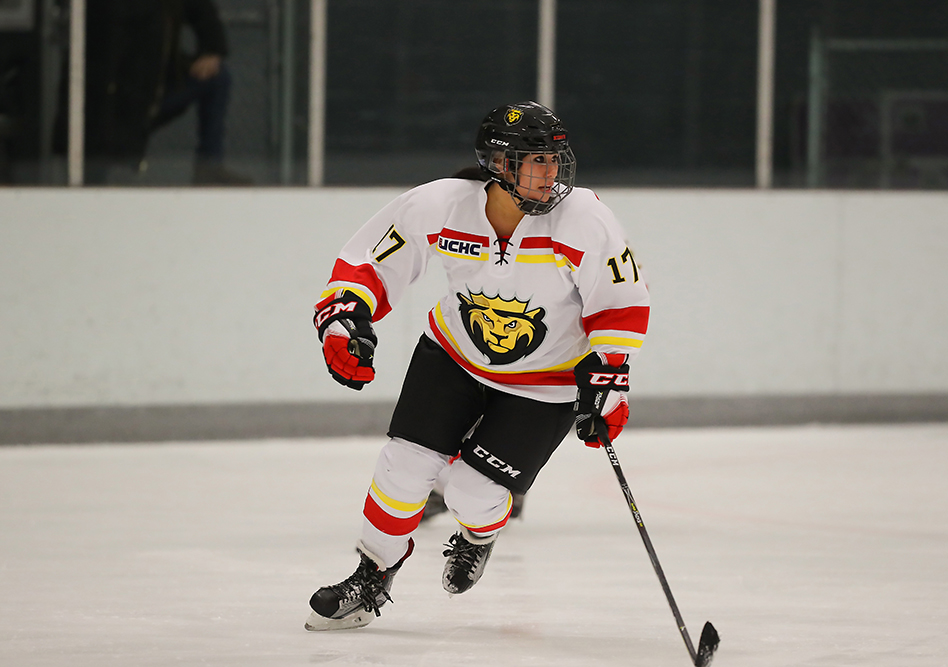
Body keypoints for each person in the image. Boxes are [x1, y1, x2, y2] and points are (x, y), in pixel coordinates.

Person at [305, 101, 650, 631]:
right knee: (402, 467)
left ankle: (479, 536)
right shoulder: (442, 204)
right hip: (454, 357)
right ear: (498, 163)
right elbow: (368, 263)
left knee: (473, 492)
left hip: (547, 383)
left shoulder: (584, 218)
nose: (550, 173)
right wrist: (345, 318)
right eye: (535, 160)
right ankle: (373, 571)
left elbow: (620, 303)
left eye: (555, 159)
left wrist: (609, 379)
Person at [53, 0, 250, 185]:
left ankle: (210, 167)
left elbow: (200, 9)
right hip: (103, 106)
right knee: (96, 162)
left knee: (215, 78)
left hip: (151, 95)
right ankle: (88, 188)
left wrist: (213, 49)